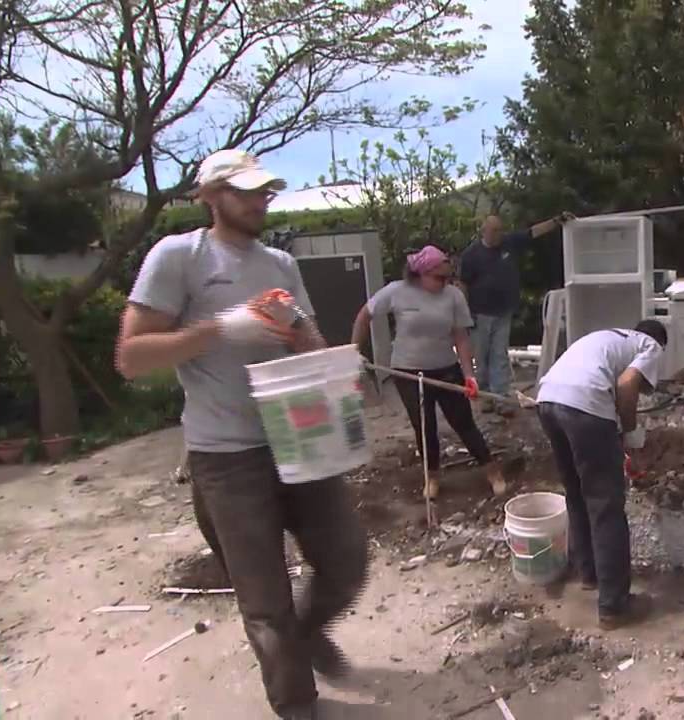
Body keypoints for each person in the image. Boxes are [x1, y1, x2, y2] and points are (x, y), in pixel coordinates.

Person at [116, 149, 368, 720]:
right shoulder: (179, 256)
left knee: (347, 558)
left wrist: (307, 342)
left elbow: (312, 344)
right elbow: (131, 356)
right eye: (246, 192)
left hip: (298, 439)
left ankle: (310, 631)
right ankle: (296, 703)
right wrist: (225, 328)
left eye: (264, 192)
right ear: (209, 196)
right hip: (226, 456)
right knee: (264, 598)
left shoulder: (280, 263)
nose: (260, 201)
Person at [535, 320, 667, 630]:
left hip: (548, 401)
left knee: (577, 491)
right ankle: (614, 607)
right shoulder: (650, 346)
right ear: (660, 342)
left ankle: (589, 573)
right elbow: (627, 385)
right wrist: (631, 433)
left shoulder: (605, 336)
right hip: (584, 405)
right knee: (606, 505)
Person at [352, 245, 506, 499]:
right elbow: (363, 316)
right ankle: (432, 477)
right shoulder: (396, 292)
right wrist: (354, 350)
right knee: (424, 426)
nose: (444, 282)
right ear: (419, 273)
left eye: (448, 277)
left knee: (463, 423)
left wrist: (469, 374)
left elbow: (461, 336)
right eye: (439, 278)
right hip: (408, 372)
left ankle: (492, 470)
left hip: (445, 368)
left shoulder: (453, 295)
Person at [460, 212, 575, 406]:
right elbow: (463, 284)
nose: (497, 234)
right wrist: (465, 313)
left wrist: (555, 221)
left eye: (500, 230)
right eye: (494, 230)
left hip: (503, 310)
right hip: (479, 313)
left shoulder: (508, 243)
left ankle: (501, 397)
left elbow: (532, 233)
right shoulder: (471, 254)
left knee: (499, 354)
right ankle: (485, 396)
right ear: (484, 231)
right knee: (481, 356)